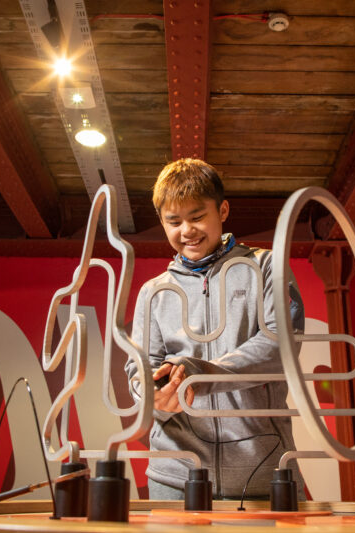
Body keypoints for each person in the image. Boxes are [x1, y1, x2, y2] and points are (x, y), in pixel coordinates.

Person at [125, 158, 305, 501]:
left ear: (222, 210)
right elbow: (139, 369)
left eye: (196, 217)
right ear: (162, 222)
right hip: (175, 476)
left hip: (266, 470)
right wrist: (154, 395)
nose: (186, 231)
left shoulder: (266, 266)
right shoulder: (153, 291)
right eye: (174, 222)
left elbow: (281, 345)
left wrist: (199, 375)